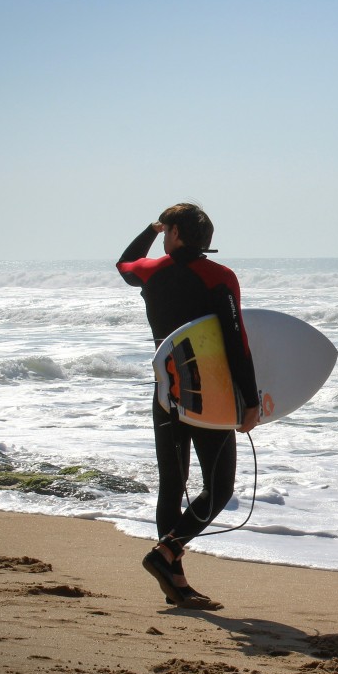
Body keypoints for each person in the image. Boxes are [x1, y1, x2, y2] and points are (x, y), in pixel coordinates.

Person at [117, 203, 260, 610]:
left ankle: (173, 576)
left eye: (167, 230)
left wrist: (150, 228)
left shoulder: (152, 272)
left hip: (167, 392)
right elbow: (236, 339)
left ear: (175, 232)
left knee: (172, 484)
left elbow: (125, 263)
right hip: (209, 395)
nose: (164, 236)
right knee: (219, 488)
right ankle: (166, 555)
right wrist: (250, 400)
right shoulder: (219, 276)